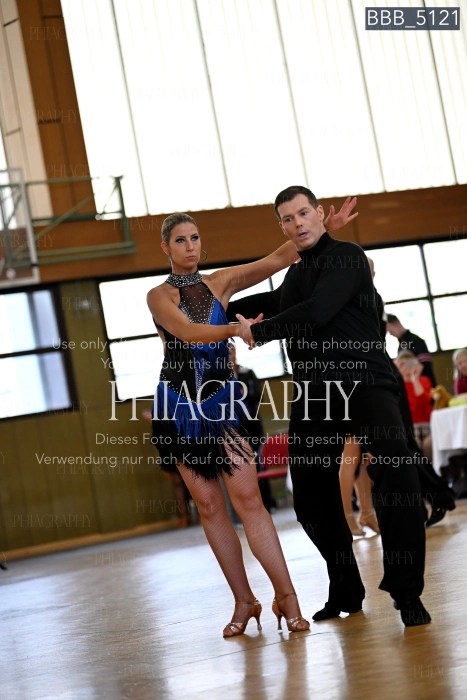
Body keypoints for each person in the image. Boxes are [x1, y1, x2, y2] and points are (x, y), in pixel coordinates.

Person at [146, 204, 356, 637]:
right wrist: (239, 330)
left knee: (249, 500)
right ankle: (244, 601)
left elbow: (278, 258)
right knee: (209, 506)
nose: (190, 247)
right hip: (179, 408)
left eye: (195, 238)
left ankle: (287, 597)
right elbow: (188, 332)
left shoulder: (220, 282)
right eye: (180, 240)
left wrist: (323, 229)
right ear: (166, 247)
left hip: (223, 404)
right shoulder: (158, 296)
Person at [235, 185, 431, 627]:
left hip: (366, 383)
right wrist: (214, 313)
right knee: (309, 496)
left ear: (319, 213)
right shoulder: (295, 276)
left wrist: (258, 333)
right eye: (288, 218)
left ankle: (407, 592)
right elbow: (270, 304)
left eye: (303, 213)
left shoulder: (347, 257)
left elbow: (318, 310)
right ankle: (345, 588)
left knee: (396, 472)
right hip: (317, 394)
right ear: (282, 227)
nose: (298, 223)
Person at [228, 343, 277, 513]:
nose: (230, 355)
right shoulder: (219, 376)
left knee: (259, 463)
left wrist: (243, 395)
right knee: (241, 466)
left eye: (232, 351)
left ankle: (267, 502)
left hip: (253, 424)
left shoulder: (247, 372)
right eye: (226, 352)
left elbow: (258, 395)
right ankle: (245, 507)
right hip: (234, 426)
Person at [394, 350, 433, 460]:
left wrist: (415, 379)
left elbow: (424, 402)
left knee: (428, 445)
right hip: (410, 427)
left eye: (410, 364)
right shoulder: (398, 385)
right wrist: (397, 372)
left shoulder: (424, 380)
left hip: (427, 424)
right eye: (403, 364)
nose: (407, 368)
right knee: (413, 445)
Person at [386, 314, 437, 386]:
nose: (390, 334)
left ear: (397, 323)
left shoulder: (416, 341)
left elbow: (426, 366)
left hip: (425, 385)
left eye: (390, 331)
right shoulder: (400, 346)